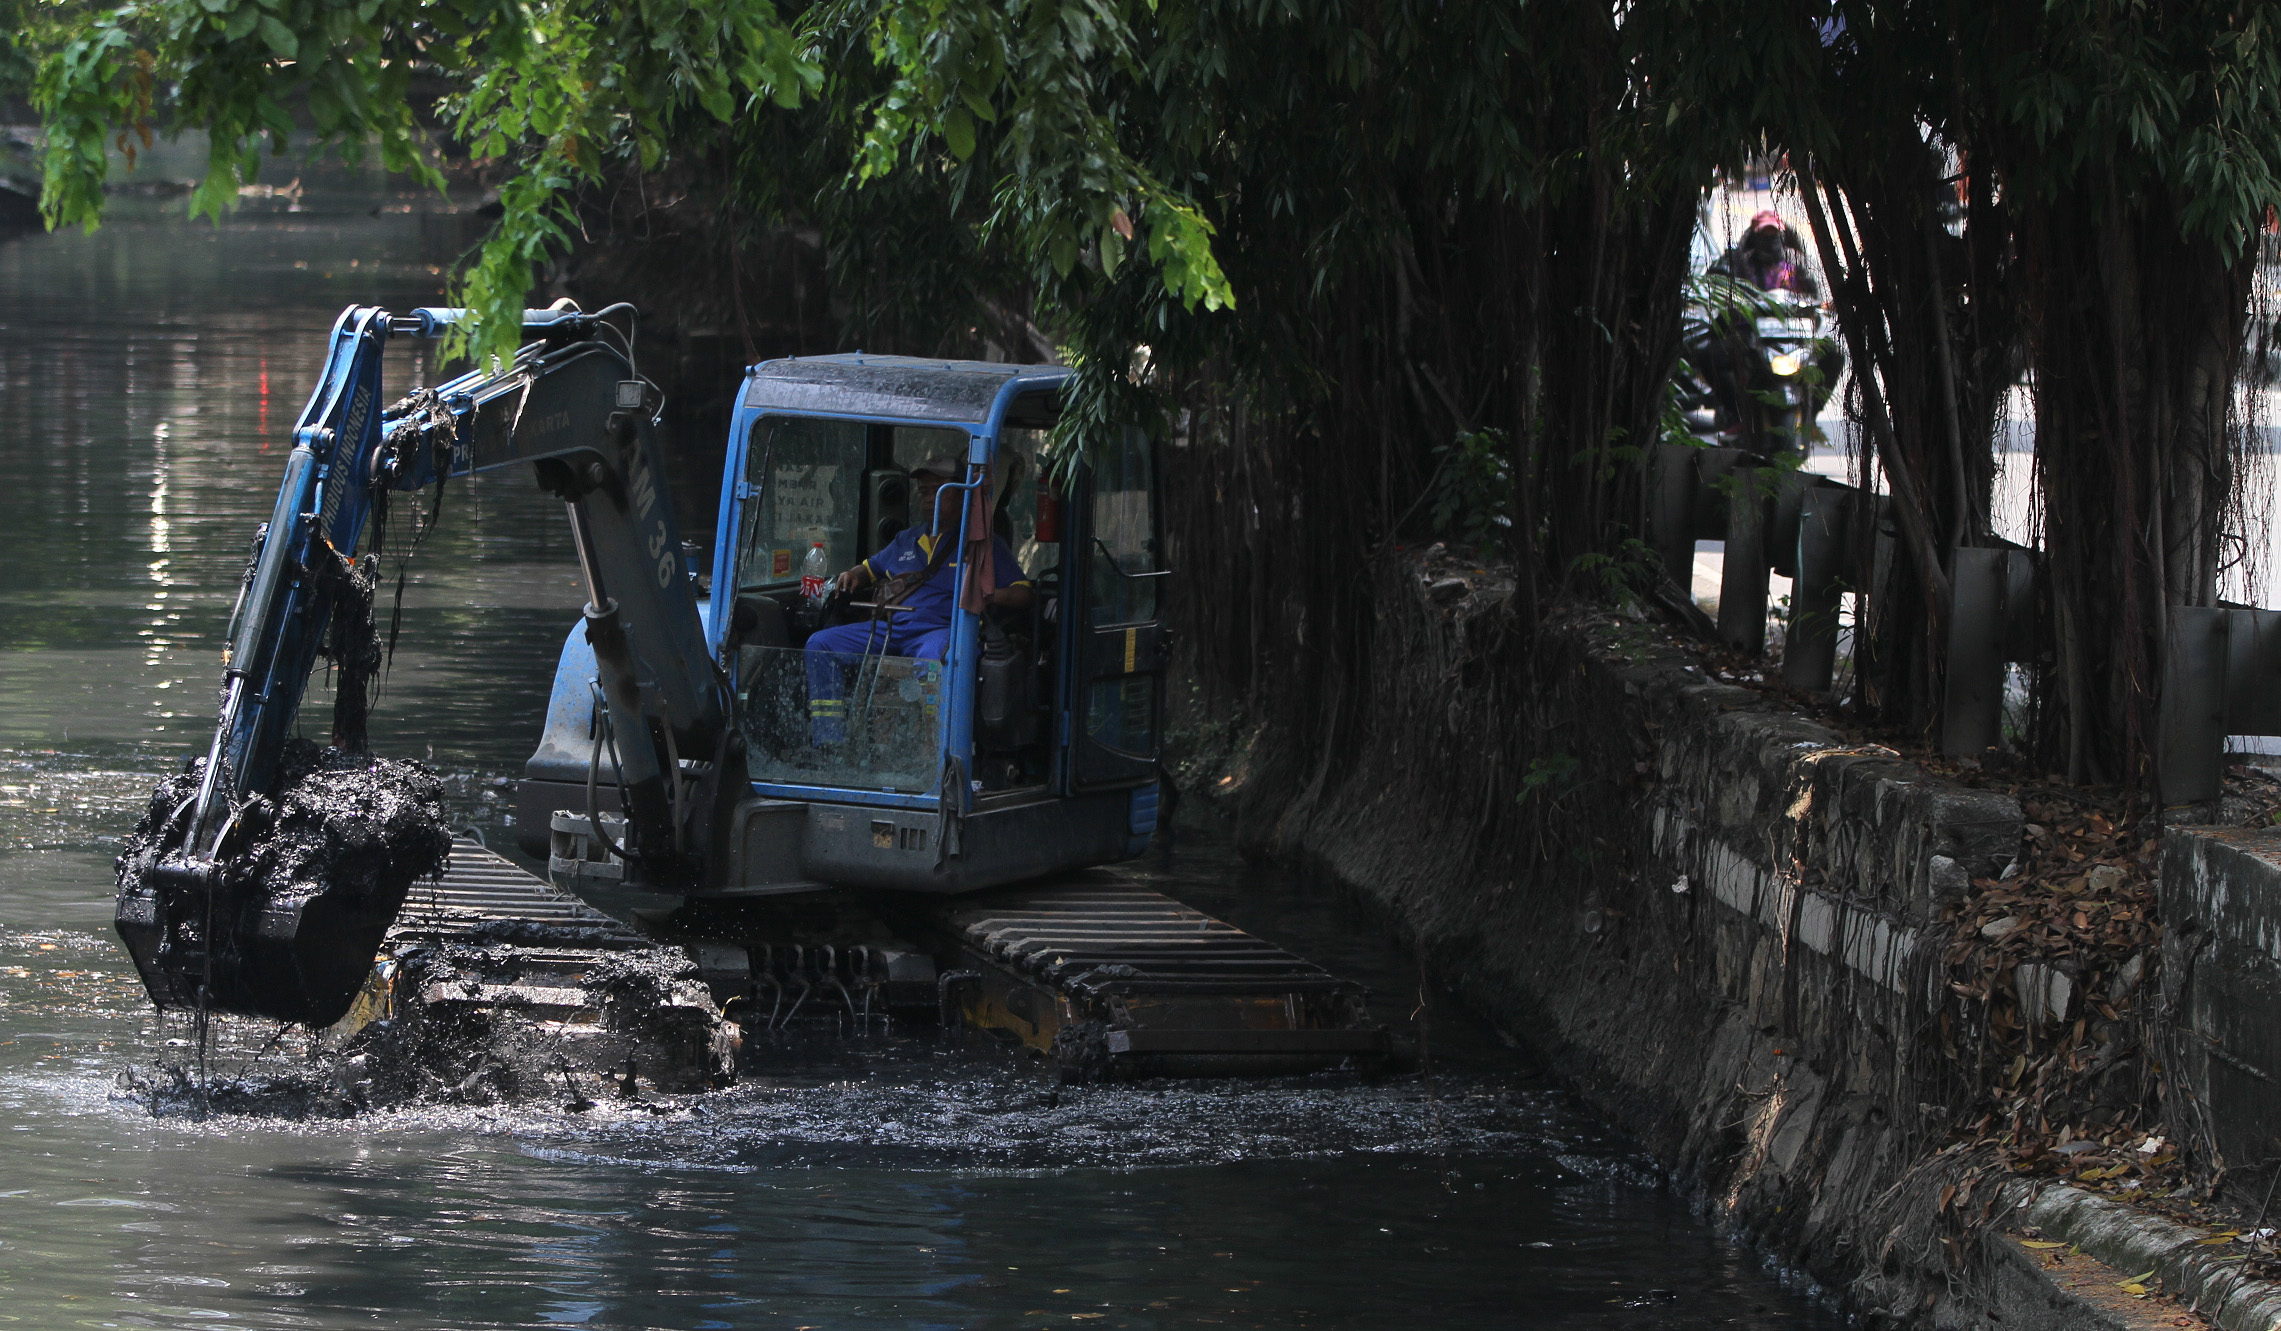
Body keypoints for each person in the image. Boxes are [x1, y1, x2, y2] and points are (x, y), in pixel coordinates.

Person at [802, 455, 1033, 744]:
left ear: (963, 496)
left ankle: (934, 749)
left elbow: (1023, 593)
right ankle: (829, 742)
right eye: (924, 492)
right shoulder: (905, 540)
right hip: (892, 628)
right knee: (821, 644)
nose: (928, 499)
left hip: (942, 632)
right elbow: (871, 569)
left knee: (933, 660)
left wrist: (986, 595)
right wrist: (853, 574)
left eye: (939, 490)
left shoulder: (983, 546)